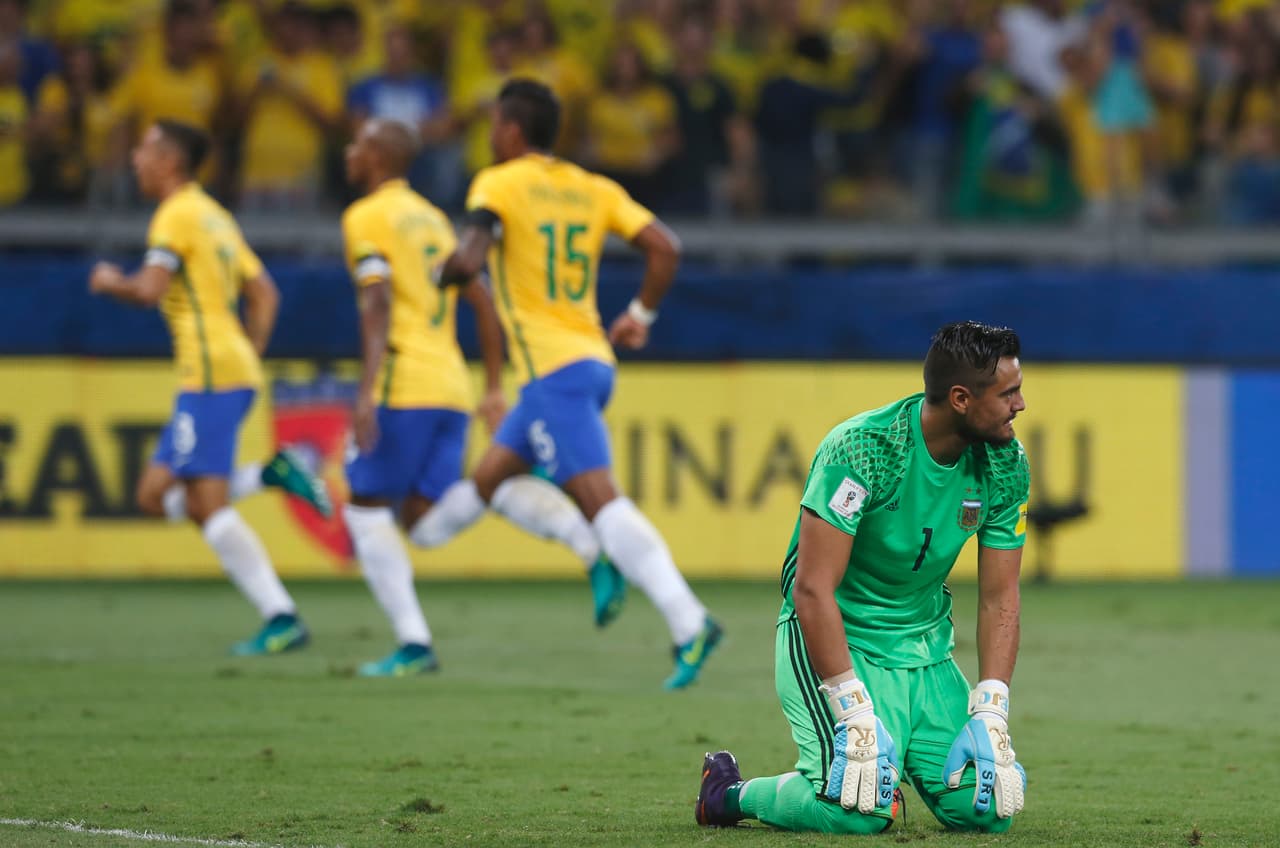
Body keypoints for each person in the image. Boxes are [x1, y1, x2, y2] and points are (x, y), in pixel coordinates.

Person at [427, 78, 721, 690]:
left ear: (510, 130)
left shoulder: (498, 182)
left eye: (493, 126)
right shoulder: (594, 187)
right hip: (589, 360)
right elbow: (665, 248)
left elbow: (471, 255)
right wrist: (639, 317)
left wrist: (445, 270)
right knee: (489, 482)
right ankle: (436, 535)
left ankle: (688, 620)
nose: (489, 135)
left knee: (602, 500)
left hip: (552, 374)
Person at [695, 321, 1030, 834]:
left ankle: (889, 772)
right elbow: (811, 589)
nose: (1020, 405)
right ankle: (728, 794)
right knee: (859, 815)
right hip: (838, 645)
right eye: (1009, 393)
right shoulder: (863, 449)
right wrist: (851, 707)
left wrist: (992, 710)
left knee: (986, 809)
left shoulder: (1007, 465)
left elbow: (1000, 600)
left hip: (925, 653)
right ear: (961, 398)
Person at [88, 120, 328, 656]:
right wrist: (247, 353)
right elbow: (265, 294)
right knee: (155, 497)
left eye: (144, 149)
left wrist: (109, 282)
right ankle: (268, 475)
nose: (135, 159)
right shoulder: (216, 215)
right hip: (225, 368)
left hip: (211, 373)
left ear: (169, 161)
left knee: (206, 503)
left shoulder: (175, 215)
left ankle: (282, 617)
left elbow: (149, 290)